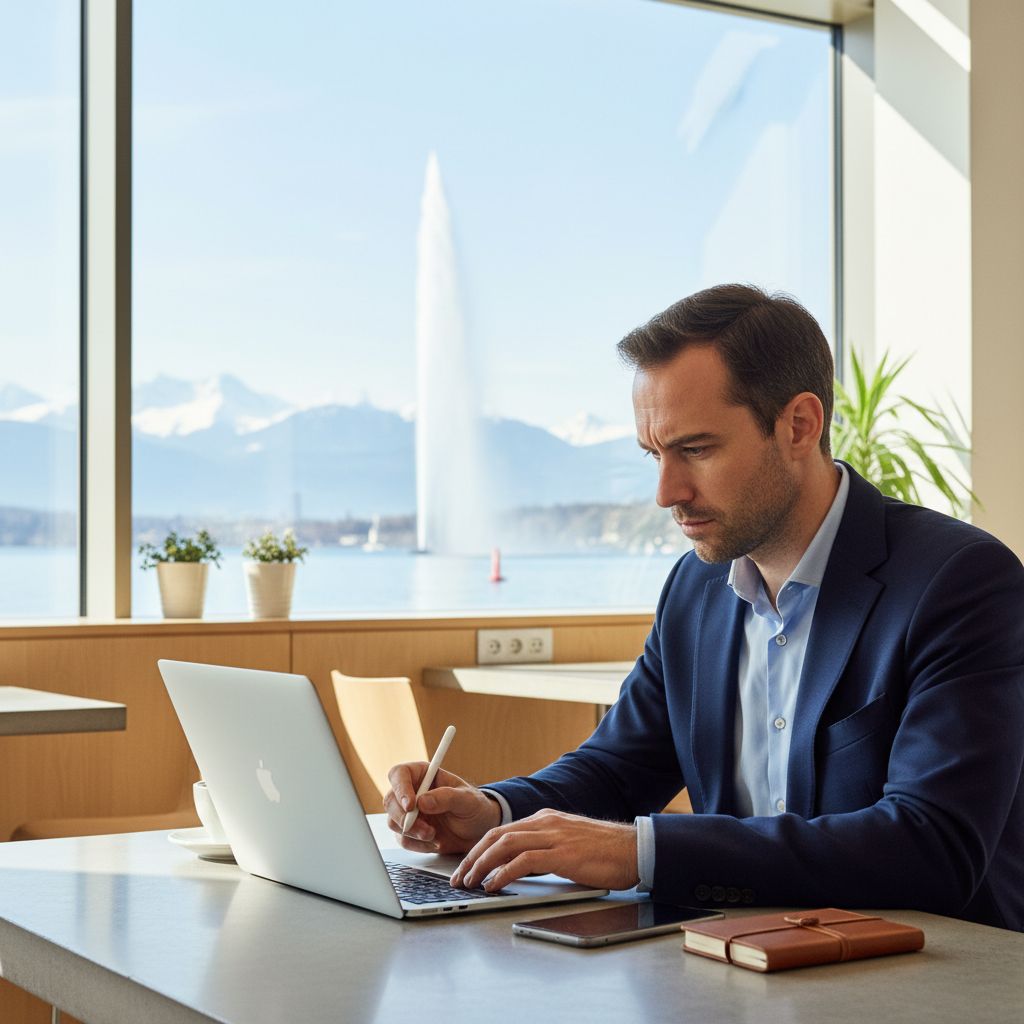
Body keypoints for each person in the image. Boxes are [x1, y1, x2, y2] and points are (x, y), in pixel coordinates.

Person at [385, 284, 1024, 930]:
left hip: (930, 978)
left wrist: (643, 852)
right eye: (654, 455)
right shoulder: (693, 593)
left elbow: (931, 846)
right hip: (743, 965)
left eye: (695, 449)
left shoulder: (960, 584)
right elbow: (615, 770)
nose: (667, 492)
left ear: (800, 426)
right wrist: (493, 811)